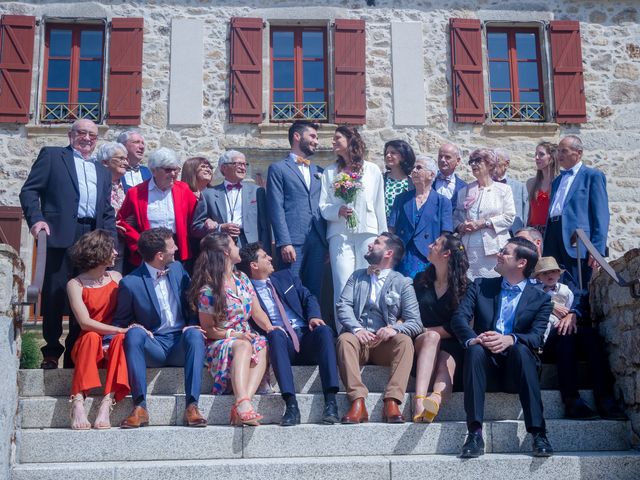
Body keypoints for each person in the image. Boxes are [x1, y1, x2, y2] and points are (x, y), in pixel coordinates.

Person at [19, 119, 115, 369]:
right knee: (54, 292)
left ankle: (75, 354)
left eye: (92, 135)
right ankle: (51, 351)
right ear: (71, 135)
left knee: (84, 295)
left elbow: (106, 211)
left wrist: (109, 242)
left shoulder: (102, 172)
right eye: (82, 133)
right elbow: (29, 191)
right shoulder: (52, 156)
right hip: (59, 234)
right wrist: (36, 220)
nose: (87, 138)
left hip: (90, 237)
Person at [451, 237, 553, 458]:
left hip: (517, 371)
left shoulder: (541, 299)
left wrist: (511, 339)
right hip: (484, 367)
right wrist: (473, 339)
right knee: (475, 350)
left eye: (505, 252)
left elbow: (537, 337)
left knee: (522, 349)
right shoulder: (480, 285)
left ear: (521, 262)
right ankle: (475, 434)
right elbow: (459, 319)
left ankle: (538, 433)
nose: (498, 254)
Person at [516, 227, 626, 421]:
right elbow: (517, 306)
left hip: (568, 330)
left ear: (537, 243)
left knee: (590, 334)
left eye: (523, 242)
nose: (520, 247)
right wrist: (549, 306)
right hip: (542, 336)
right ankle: (571, 400)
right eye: (517, 244)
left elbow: (580, 295)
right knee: (565, 337)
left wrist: (573, 313)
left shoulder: (560, 273)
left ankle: (605, 398)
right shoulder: (519, 276)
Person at [112, 228, 207, 428]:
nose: (177, 248)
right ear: (160, 255)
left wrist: (191, 325)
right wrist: (132, 326)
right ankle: (140, 407)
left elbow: (192, 304)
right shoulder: (130, 283)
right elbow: (120, 322)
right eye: (172, 245)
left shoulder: (179, 269)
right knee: (134, 334)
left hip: (180, 343)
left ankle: (192, 406)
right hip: (153, 345)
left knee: (195, 335)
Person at [238, 242, 340, 426]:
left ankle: (331, 402)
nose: (270, 258)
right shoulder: (246, 290)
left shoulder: (285, 277)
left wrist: (314, 316)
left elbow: (308, 297)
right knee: (275, 335)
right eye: (264, 256)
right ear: (254, 265)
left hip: (304, 334)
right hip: (281, 342)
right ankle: (291, 406)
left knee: (324, 331)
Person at [189, 233, 274, 426]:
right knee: (244, 345)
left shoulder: (242, 278)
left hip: (244, 335)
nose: (238, 248)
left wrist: (270, 327)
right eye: (234, 245)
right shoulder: (208, 288)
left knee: (261, 343)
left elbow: (256, 311)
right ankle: (243, 403)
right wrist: (233, 334)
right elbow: (208, 329)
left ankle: (243, 403)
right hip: (219, 341)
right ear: (226, 252)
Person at [336, 233, 422, 424]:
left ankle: (392, 401)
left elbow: (415, 322)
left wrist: (395, 330)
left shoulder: (403, 282)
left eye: (376, 243)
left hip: (385, 345)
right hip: (359, 341)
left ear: (388, 252)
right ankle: (358, 402)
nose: (370, 245)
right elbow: (343, 305)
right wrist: (357, 329)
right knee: (344, 340)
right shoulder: (357, 276)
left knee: (405, 341)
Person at [67, 230, 129, 430]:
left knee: (121, 341)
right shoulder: (75, 284)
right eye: (111, 249)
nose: (115, 253)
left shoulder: (117, 277)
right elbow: (85, 322)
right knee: (92, 337)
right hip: (88, 343)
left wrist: (121, 332)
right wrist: (118, 330)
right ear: (99, 252)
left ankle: (106, 403)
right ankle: (77, 401)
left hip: (113, 342)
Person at [319, 126, 387, 307]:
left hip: (368, 232)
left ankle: (366, 327)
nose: (333, 141)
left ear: (350, 140)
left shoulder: (372, 170)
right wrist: (337, 211)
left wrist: (383, 235)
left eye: (337, 138)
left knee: (367, 280)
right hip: (339, 235)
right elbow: (323, 206)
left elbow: (380, 204)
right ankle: (345, 330)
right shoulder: (330, 172)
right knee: (342, 282)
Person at [267, 120, 327, 300]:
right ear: (297, 136)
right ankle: (293, 327)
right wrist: (284, 242)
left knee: (314, 289)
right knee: (290, 288)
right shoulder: (277, 168)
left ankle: (314, 325)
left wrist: (327, 243)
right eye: (313, 136)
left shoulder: (319, 170)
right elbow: (275, 207)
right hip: (292, 240)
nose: (316, 141)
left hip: (317, 239)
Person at [412, 233, 469, 422]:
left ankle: (434, 400)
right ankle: (419, 402)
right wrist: (425, 331)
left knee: (446, 365)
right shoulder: (421, 280)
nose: (429, 245)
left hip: (452, 342)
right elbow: (409, 312)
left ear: (446, 254)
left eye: (435, 244)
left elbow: (461, 324)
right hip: (421, 340)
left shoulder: (465, 287)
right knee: (432, 338)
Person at [543, 135, 609, 289]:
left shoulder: (592, 176)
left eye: (564, 151)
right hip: (553, 233)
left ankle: (579, 313)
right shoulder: (557, 181)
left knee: (578, 283)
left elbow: (601, 215)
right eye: (558, 151)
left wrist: (597, 249)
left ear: (578, 153)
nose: (559, 155)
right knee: (556, 284)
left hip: (577, 239)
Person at [117, 147, 198, 267]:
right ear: (154, 171)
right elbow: (122, 222)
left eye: (176, 170)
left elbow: (196, 216)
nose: (173, 174)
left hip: (177, 248)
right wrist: (140, 242)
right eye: (168, 170)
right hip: (149, 251)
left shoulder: (183, 190)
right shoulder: (136, 193)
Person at [192, 150, 271, 252]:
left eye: (244, 164)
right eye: (238, 164)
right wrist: (219, 228)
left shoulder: (257, 191)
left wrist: (265, 250)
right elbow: (196, 227)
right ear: (224, 168)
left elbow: (265, 225)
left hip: (252, 246)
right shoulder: (208, 194)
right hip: (221, 248)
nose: (243, 167)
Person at [454, 148, 515, 279]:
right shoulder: (464, 191)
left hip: (493, 252)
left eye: (478, 160)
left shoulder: (503, 190)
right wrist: (461, 226)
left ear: (490, 164)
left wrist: (485, 222)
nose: (474, 164)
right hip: (469, 251)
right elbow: (456, 218)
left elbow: (509, 217)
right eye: (471, 161)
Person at [388, 155, 452, 278]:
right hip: (403, 255)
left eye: (419, 168)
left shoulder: (443, 202)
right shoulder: (401, 199)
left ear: (431, 175)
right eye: (413, 168)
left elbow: (445, 235)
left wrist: (438, 256)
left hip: (428, 256)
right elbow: (392, 230)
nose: (414, 171)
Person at [97, 142, 129, 273]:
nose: (126, 163)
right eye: (121, 159)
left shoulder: (128, 188)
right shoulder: (96, 186)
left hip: (126, 244)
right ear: (105, 162)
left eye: (126, 159)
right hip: (103, 243)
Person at [532, 256, 574, 343]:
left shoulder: (566, 290)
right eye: (544, 273)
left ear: (559, 275)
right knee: (546, 321)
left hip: (560, 321)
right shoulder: (535, 291)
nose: (549, 275)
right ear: (538, 278)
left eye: (553, 272)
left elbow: (569, 305)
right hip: (541, 318)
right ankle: (541, 343)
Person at [493, 148, 529, 234]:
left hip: (513, 233)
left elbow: (526, 214)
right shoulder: (484, 186)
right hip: (491, 233)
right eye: (490, 161)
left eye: (496, 161)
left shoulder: (520, 187)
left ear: (507, 164)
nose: (492, 164)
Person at [526, 142, 559, 235]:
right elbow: (530, 212)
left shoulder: (560, 182)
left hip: (553, 231)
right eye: (536, 154)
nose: (536, 158)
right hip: (534, 232)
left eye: (541, 154)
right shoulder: (531, 183)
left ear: (551, 157)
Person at [382, 139, 416, 219]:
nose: (388, 155)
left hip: (403, 228)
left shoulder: (413, 183)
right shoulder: (381, 180)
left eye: (393, 153)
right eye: (386, 153)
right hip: (382, 228)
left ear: (403, 156)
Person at [433, 143, 467, 211]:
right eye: (440, 156)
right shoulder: (429, 182)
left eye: (447, 157)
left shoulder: (464, 188)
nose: (442, 160)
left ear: (458, 161)